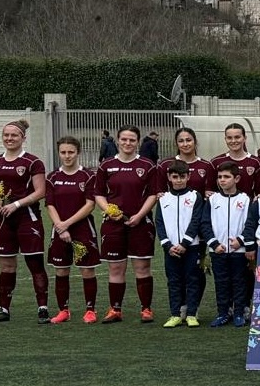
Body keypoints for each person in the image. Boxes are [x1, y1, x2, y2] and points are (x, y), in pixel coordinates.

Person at [0, 121, 50, 324]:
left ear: (23, 138)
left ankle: (43, 309)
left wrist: (17, 204)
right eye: (6, 135)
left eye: (14, 135)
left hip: (27, 217)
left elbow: (41, 191)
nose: (9, 138)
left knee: (34, 263)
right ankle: (3, 309)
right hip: (3, 220)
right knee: (6, 266)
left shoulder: (32, 162)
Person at [92, 125, 159, 324]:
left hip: (141, 222)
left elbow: (153, 194)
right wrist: (109, 211)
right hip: (113, 224)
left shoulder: (148, 165)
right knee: (116, 269)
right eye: (124, 139)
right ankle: (115, 309)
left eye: (132, 140)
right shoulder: (106, 165)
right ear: (118, 141)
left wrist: (139, 215)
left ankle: (146, 309)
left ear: (137, 142)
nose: (128, 143)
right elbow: (98, 194)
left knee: (142, 267)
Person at [45, 137, 100, 324]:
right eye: (63, 152)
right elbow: (50, 204)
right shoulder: (52, 177)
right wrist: (60, 227)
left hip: (83, 229)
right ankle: (63, 311)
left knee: (87, 271)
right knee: (61, 271)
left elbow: (90, 204)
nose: (67, 156)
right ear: (59, 153)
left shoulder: (88, 176)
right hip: (59, 230)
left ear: (78, 153)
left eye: (71, 152)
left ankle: (90, 310)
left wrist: (66, 224)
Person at [155, 161, 213, 328]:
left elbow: (196, 221)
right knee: (174, 281)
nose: (178, 180)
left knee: (192, 280)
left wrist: (185, 243)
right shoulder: (164, 198)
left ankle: (192, 314)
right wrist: (167, 245)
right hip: (170, 249)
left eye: (182, 177)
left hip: (192, 247)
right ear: (169, 177)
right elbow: (160, 223)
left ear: (188, 177)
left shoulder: (195, 196)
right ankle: (175, 314)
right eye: (175, 177)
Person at [205, 162, 253, 327]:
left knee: (239, 282)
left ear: (237, 178)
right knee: (221, 282)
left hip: (239, 251)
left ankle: (239, 313)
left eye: (226, 177)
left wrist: (240, 240)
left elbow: (250, 224)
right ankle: (223, 313)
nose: (222, 180)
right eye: (219, 177)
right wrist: (214, 243)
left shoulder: (245, 199)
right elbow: (205, 224)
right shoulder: (212, 200)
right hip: (218, 251)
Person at [154, 127, 216, 196]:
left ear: (195, 142)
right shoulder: (165, 165)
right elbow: (160, 192)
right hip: (174, 206)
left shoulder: (206, 165)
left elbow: (210, 192)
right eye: (181, 141)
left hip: (199, 206)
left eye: (188, 140)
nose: (185, 144)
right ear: (176, 144)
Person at [212, 123, 260, 197]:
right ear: (225, 139)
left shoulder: (256, 162)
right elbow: (211, 191)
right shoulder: (216, 162)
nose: (233, 141)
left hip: (247, 207)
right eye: (229, 138)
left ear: (244, 138)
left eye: (237, 137)